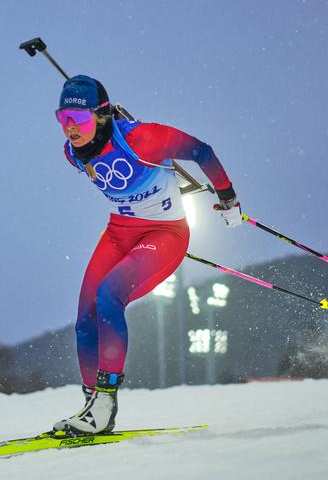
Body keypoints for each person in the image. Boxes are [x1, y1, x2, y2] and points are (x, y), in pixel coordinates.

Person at [52, 75, 241, 435]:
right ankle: (91, 405)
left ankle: (106, 403)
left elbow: (202, 151)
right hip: (119, 231)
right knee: (84, 317)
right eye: (64, 119)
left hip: (164, 233)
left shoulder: (143, 138)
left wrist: (228, 198)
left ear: (103, 116)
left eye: (81, 119)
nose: (71, 129)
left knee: (110, 296)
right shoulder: (71, 153)